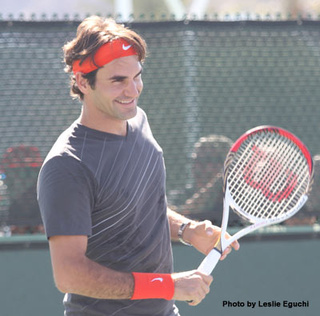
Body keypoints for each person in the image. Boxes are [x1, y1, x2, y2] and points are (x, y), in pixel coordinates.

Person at [37, 16, 239, 316]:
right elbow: (69, 274)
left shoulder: (138, 120)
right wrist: (167, 286)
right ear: (82, 82)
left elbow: (138, 206)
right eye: (118, 80)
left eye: (137, 76)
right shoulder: (66, 166)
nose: (133, 91)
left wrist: (188, 230)